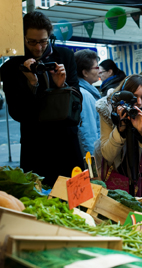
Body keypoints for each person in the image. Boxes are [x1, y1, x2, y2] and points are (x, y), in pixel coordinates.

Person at [0, 11, 83, 186]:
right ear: (23, 38)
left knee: (76, 202)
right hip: (35, 147)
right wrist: (32, 85)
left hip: (66, 144)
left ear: (50, 37)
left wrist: (63, 87)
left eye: (43, 41)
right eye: (32, 42)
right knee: (39, 203)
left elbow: (78, 103)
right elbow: (17, 113)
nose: (38, 48)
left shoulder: (65, 57)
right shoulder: (12, 68)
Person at [94, 75, 142, 196]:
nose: (139, 103)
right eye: (134, 97)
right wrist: (120, 128)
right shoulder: (107, 110)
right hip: (117, 172)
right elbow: (107, 154)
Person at [74, 49, 101, 156]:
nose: (99, 71)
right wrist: (92, 162)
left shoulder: (84, 91)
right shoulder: (84, 95)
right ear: (85, 72)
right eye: (96, 68)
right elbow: (88, 133)